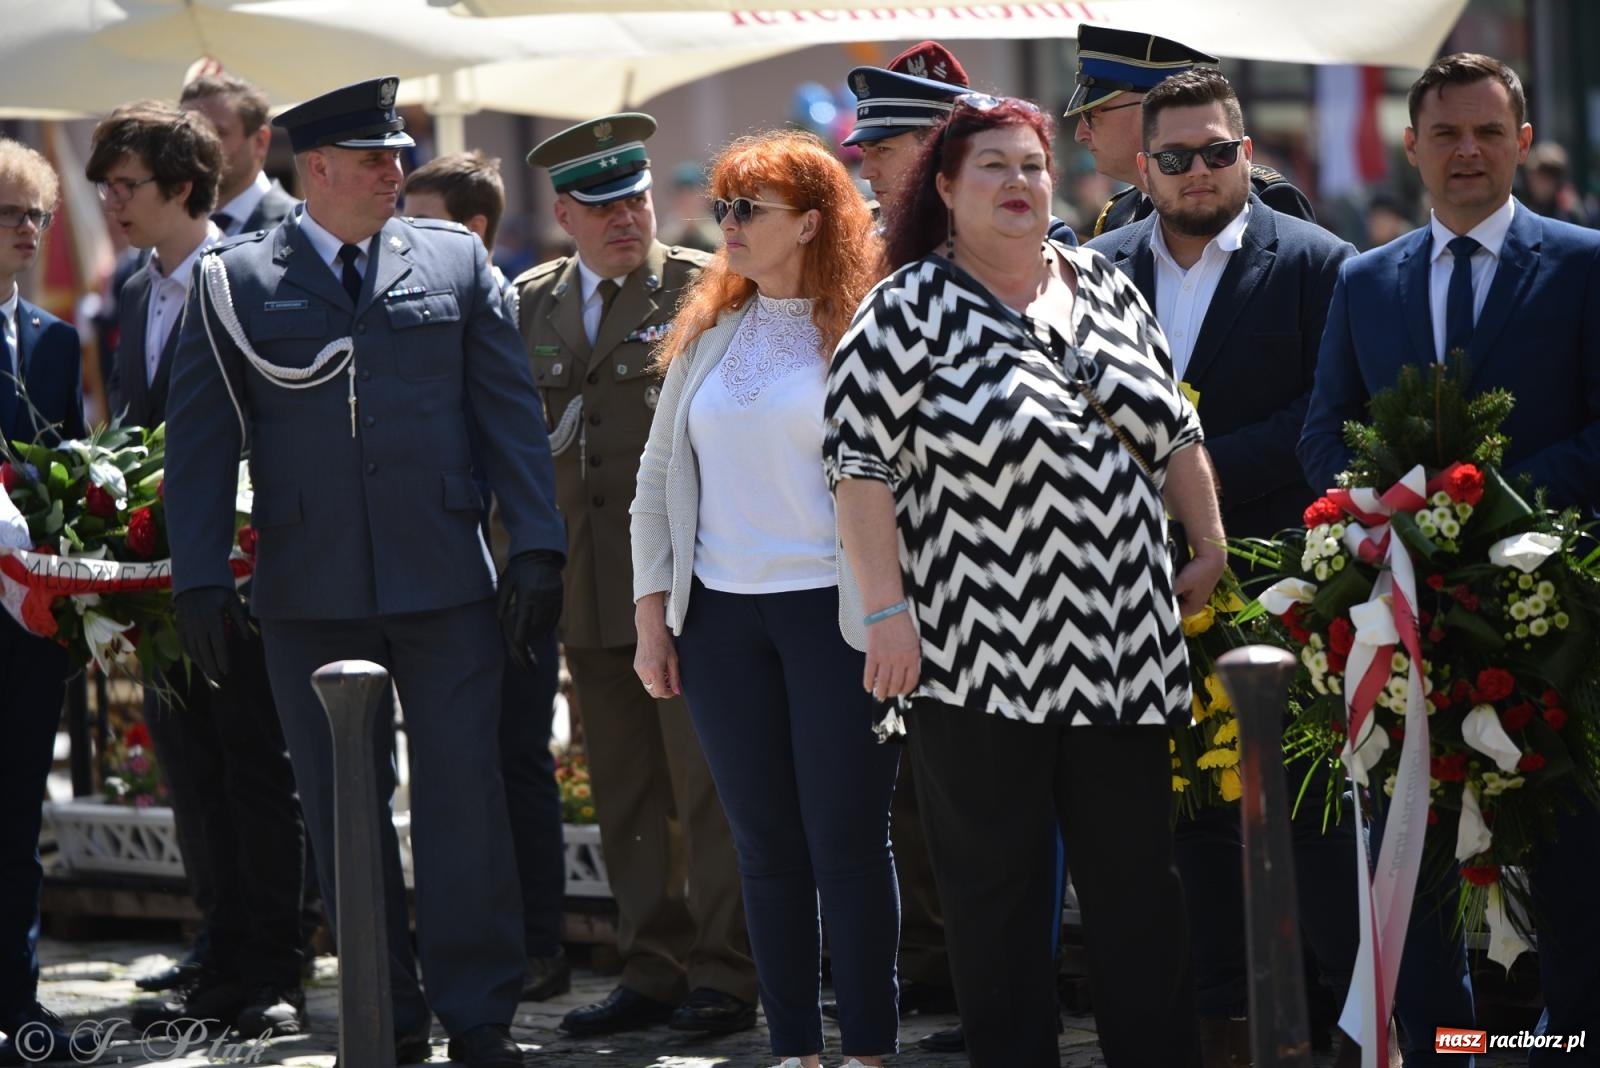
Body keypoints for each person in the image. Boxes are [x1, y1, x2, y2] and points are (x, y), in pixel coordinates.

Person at [163, 77, 566, 1068]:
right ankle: (385, 1012)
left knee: (463, 800)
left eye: (399, 154)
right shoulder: (235, 280)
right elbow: (202, 445)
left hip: (446, 578)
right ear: (320, 168)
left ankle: (479, 1013)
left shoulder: (457, 261)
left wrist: (540, 546)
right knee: (343, 810)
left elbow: (509, 417)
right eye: (376, 157)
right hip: (309, 586)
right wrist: (200, 579)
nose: (397, 169)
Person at [825, 92, 1221, 1068]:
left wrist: (1205, 540)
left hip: (1124, 646)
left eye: (1032, 165)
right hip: (976, 656)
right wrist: (885, 612)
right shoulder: (904, 304)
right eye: (992, 166)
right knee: (995, 905)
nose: (1018, 182)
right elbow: (857, 468)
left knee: (1139, 896)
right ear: (948, 190)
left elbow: (1172, 427)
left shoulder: (1104, 283)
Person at [1301, 53, 1600, 1067]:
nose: (1465, 151)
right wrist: (1382, 515)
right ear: (1411, 146)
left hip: (1553, 626)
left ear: (1520, 140)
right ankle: (1447, 1050)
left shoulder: (1583, 263)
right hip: (1405, 620)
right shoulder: (1362, 279)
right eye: (1445, 133)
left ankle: (1567, 1046)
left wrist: (1483, 512)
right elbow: (1322, 434)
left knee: (1568, 869)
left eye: (1486, 132)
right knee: (1417, 866)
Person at [1086, 67, 1363, 1068]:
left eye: (1216, 151)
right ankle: (1215, 1019)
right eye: (1174, 157)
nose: (1197, 171)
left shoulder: (1320, 265)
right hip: (1133, 582)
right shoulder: (1093, 267)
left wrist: (1185, 472)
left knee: (1306, 806)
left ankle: (1337, 1018)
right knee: (1175, 814)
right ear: (1144, 166)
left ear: (1246, 153)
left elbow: (1327, 415)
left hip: (1279, 576)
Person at [631, 129, 897, 1068]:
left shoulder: (867, 328)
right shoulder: (712, 331)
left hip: (834, 616)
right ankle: (794, 1050)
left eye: (752, 210)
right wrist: (651, 618)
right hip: (718, 622)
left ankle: (865, 1046)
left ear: (814, 223)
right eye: (725, 207)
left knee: (848, 844)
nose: (729, 226)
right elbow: (657, 479)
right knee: (764, 849)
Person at [514, 112, 757, 1038]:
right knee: (623, 787)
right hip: (584, 586)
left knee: (707, 787)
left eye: (637, 198)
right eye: (602, 205)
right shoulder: (528, 302)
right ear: (564, 213)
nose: (626, 218)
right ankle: (651, 964)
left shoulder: (709, 291)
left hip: (688, 585)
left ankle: (727, 974)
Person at [85, 101, 310, 1039]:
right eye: (103, 186)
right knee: (192, 767)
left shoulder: (244, 277)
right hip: (164, 583)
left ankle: (275, 960)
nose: (110, 203)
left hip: (248, 577)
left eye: (126, 186)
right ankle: (219, 945)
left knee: (258, 770)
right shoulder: (134, 290)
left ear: (181, 188)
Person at [402, 150, 570, 1003]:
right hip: (447, 576)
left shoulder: (506, 306)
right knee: (465, 768)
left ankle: (538, 942)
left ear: (470, 231)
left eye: (419, 220)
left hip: (511, 574)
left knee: (514, 759)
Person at [0, 137, 93, 1067]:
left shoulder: (57, 342)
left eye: (40, 216)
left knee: (20, 815)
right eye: (12, 216)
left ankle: (19, 997)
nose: (30, 231)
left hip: (29, 620)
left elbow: (75, 467)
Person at [1068, 26, 1314, 238]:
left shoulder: (1265, 200)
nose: (1081, 133)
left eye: (1092, 115)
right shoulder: (1118, 214)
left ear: (1150, 109)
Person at [179, 72, 297, 237]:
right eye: (189, 133)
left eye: (217, 132)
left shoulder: (299, 228)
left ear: (260, 141)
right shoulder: (167, 229)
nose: (199, 144)